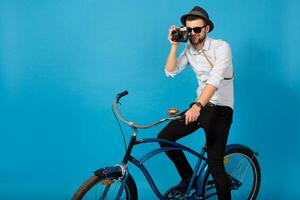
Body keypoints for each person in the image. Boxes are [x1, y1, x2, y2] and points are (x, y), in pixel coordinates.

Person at [157, 6, 234, 200]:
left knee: (215, 165)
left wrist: (197, 106)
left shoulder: (221, 47)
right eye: (189, 29)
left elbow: (214, 81)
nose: (192, 34)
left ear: (207, 28)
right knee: (164, 138)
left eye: (197, 29)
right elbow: (170, 71)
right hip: (200, 106)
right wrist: (174, 46)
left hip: (220, 109)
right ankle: (188, 178)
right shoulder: (189, 50)